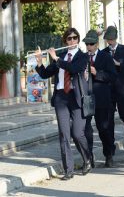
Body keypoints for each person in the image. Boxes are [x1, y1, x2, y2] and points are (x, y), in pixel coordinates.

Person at [35, 28, 91, 180]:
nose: (72, 41)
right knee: (64, 134)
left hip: (76, 96)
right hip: (61, 97)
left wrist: (57, 60)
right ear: (65, 41)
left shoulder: (82, 56)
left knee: (78, 133)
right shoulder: (60, 56)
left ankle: (87, 158)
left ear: (78, 40)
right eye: (69, 39)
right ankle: (69, 170)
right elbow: (45, 74)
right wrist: (40, 62)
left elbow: (73, 69)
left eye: (74, 38)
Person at [83, 30, 117, 168]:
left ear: (97, 44)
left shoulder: (105, 57)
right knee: (85, 129)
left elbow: (113, 76)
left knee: (103, 128)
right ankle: (89, 156)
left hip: (102, 98)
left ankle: (108, 153)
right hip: (86, 98)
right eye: (86, 44)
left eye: (91, 44)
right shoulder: (83, 57)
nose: (89, 47)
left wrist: (98, 73)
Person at [103, 26, 124, 153]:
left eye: (111, 39)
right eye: (107, 40)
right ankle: (110, 147)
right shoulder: (104, 52)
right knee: (109, 119)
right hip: (109, 90)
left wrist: (119, 65)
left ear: (115, 38)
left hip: (122, 89)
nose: (109, 42)